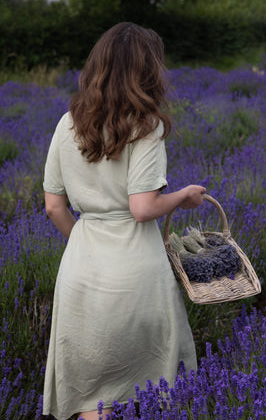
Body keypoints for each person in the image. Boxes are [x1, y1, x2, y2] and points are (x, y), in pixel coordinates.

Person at [42, 22, 206, 420]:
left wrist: (83, 241)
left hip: (81, 268)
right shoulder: (145, 126)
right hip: (136, 272)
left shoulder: (67, 124)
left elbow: (53, 206)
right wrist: (183, 196)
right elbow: (142, 208)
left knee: (93, 398)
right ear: (147, 71)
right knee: (149, 388)